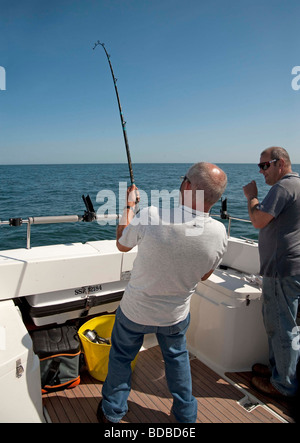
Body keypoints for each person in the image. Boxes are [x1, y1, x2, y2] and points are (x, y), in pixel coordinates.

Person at [97, 162, 228, 423]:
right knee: (177, 361)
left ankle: (112, 412)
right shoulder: (219, 232)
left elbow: (122, 244)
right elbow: (204, 274)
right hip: (175, 316)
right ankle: (185, 415)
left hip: (135, 311)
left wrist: (129, 205)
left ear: (188, 186)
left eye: (184, 179)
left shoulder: (150, 215)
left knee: (122, 358)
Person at [243, 147, 300, 398]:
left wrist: (252, 196)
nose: (261, 170)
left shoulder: (283, 188)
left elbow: (258, 220)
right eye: (261, 166)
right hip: (292, 268)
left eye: (265, 165)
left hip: (281, 269)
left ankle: (283, 385)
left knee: (281, 326)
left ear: (281, 163)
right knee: (285, 323)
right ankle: (279, 370)